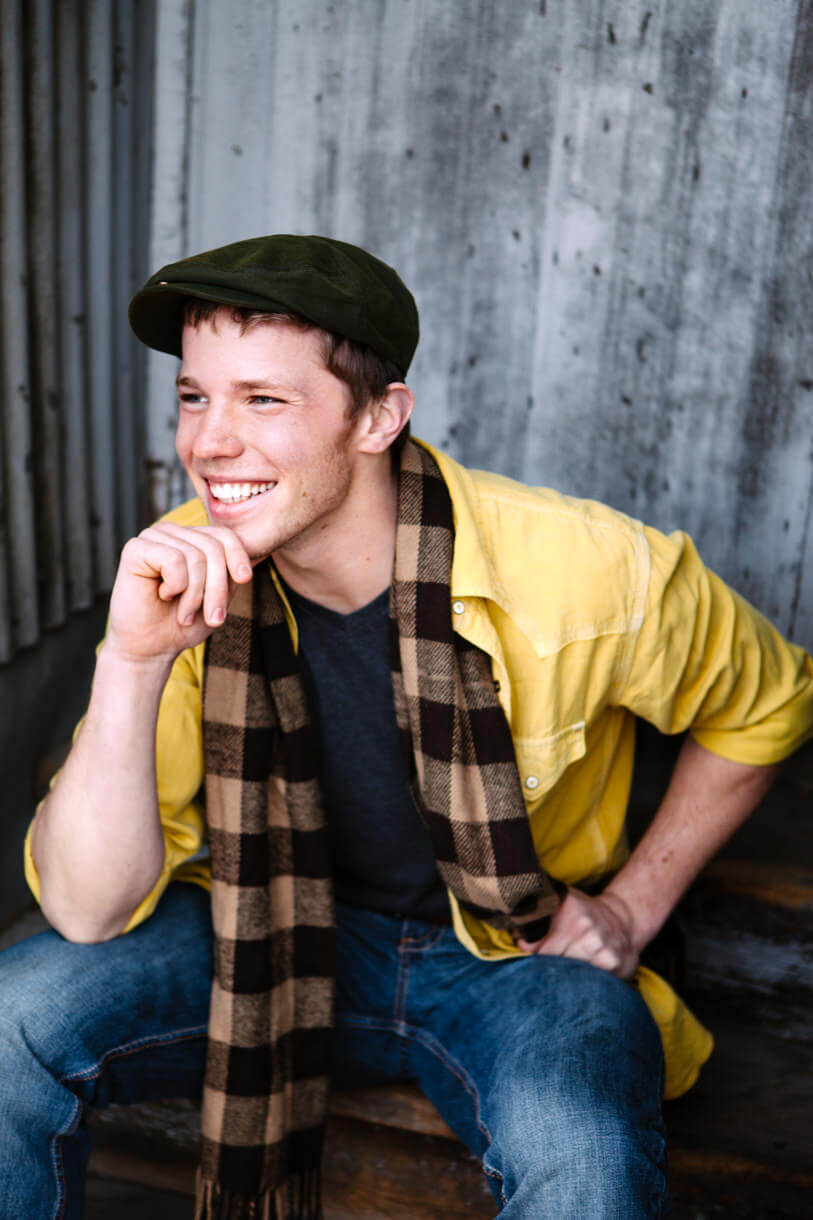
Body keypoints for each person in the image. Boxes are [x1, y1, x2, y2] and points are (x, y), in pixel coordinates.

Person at [2, 234, 811, 1220]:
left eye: (264, 399)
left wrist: (636, 906)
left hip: (508, 954)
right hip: (264, 925)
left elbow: (770, 699)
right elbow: (87, 911)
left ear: (380, 417)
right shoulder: (184, 569)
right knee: (10, 1021)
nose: (209, 441)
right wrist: (134, 661)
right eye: (194, 396)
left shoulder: (587, 567)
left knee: (586, 1157)